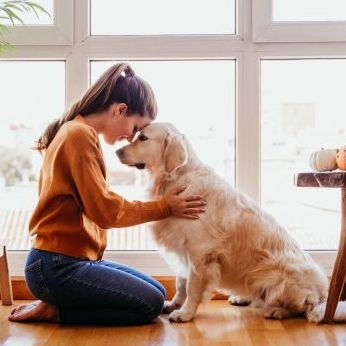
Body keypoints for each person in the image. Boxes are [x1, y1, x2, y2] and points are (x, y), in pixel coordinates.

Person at [8, 63, 206, 325]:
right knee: (150, 304)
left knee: (158, 292)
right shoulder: (78, 135)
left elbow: (97, 205)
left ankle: (58, 301)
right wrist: (165, 207)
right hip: (55, 267)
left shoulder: (77, 131)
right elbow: (106, 211)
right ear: (120, 110)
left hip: (68, 262)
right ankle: (57, 310)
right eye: (135, 129)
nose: (130, 138)